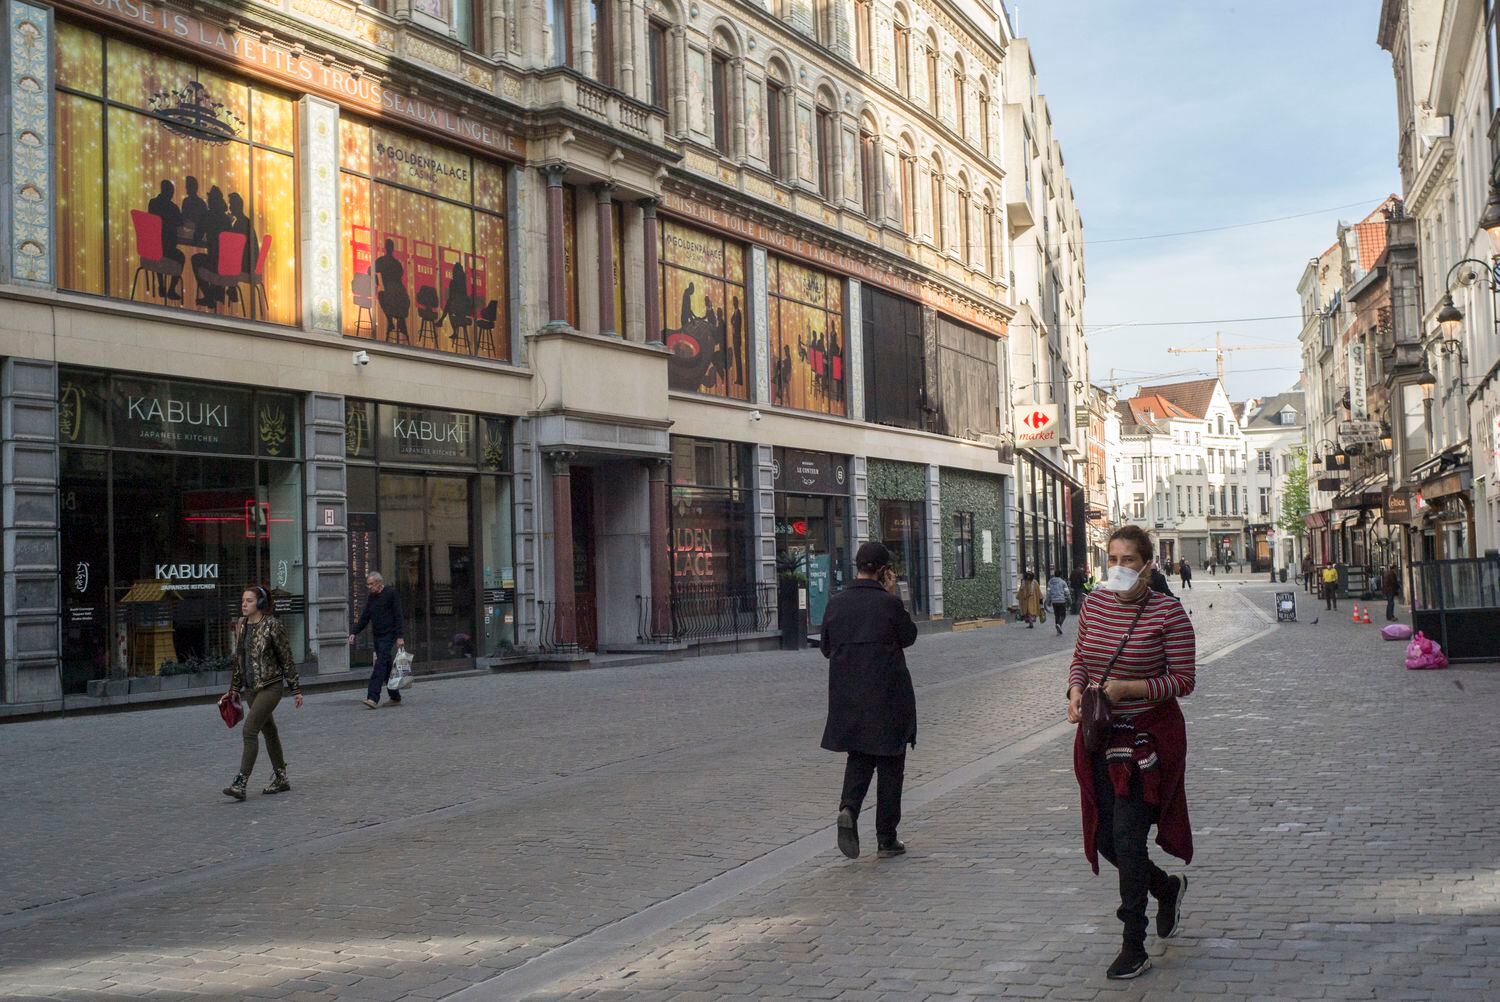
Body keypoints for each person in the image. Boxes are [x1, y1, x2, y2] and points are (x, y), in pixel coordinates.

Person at [1067, 525, 1195, 980]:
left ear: (1148, 565)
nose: (1118, 569)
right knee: (1106, 837)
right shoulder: (1095, 603)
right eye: (1113, 559)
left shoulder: (1168, 615)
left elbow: (1183, 680)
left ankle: (1133, 943)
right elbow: (1081, 656)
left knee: (1127, 835)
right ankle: (1165, 888)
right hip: (1101, 736)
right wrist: (1076, 692)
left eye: (1128, 561)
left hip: (1147, 740)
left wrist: (1131, 688)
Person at [820, 541, 919, 859]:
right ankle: (886, 838)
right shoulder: (887, 604)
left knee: (859, 757)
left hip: (849, 696)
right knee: (891, 764)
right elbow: (909, 637)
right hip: (888, 696)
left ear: (858, 566)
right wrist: (894, 597)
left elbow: (825, 647)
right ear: (883, 571)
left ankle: (849, 808)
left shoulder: (836, 603)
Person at [224, 585, 302, 800]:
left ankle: (240, 782)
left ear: (259, 603)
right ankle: (281, 777)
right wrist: (234, 689)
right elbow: (239, 661)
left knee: (249, 730)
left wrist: (295, 688)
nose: (244, 604)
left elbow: (286, 657)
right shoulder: (242, 625)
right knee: (269, 731)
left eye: (249, 601)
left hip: (271, 686)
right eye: (243, 600)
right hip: (251, 689)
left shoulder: (272, 625)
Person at [348, 571, 406, 708]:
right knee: (385, 667)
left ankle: (372, 698)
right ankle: (395, 697)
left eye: (371, 584)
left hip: (389, 635)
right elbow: (365, 617)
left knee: (379, 665)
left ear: (379, 583)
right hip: (378, 636)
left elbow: (398, 615)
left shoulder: (391, 594)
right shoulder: (372, 597)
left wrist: (400, 636)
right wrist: (354, 632)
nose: (369, 587)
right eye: (368, 584)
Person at [146, 180, 184, 300]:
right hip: (167, 248)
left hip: (152, 248)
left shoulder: (152, 203)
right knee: (180, 257)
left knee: (159, 253)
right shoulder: (173, 207)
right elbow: (180, 223)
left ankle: (161, 285)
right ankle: (171, 289)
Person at [1046, 569, 1071, 636]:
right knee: (1063, 615)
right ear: (1060, 575)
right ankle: (1059, 624)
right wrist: (1069, 600)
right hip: (1061, 600)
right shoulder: (1063, 582)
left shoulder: (1050, 582)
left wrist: (1048, 601)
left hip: (1054, 601)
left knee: (1056, 615)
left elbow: (1048, 592)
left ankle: (1058, 630)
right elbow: (1067, 592)